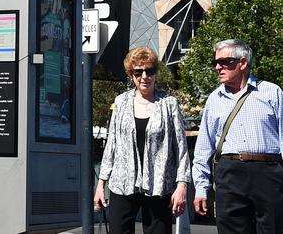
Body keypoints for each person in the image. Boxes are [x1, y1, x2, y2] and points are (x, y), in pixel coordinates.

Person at [94, 46, 190, 234]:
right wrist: (100, 185)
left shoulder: (169, 103)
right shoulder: (121, 102)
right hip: (123, 183)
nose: (144, 76)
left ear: (155, 73)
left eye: (150, 71)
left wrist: (182, 186)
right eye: (138, 72)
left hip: (159, 183)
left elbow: (181, 148)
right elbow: (111, 145)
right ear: (131, 75)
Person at [192, 38, 283, 234]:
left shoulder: (272, 92)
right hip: (229, 173)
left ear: (243, 63)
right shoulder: (214, 99)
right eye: (216, 62)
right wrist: (201, 188)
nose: (218, 67)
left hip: (268, 173)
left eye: (225, 62)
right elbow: (203, 148)